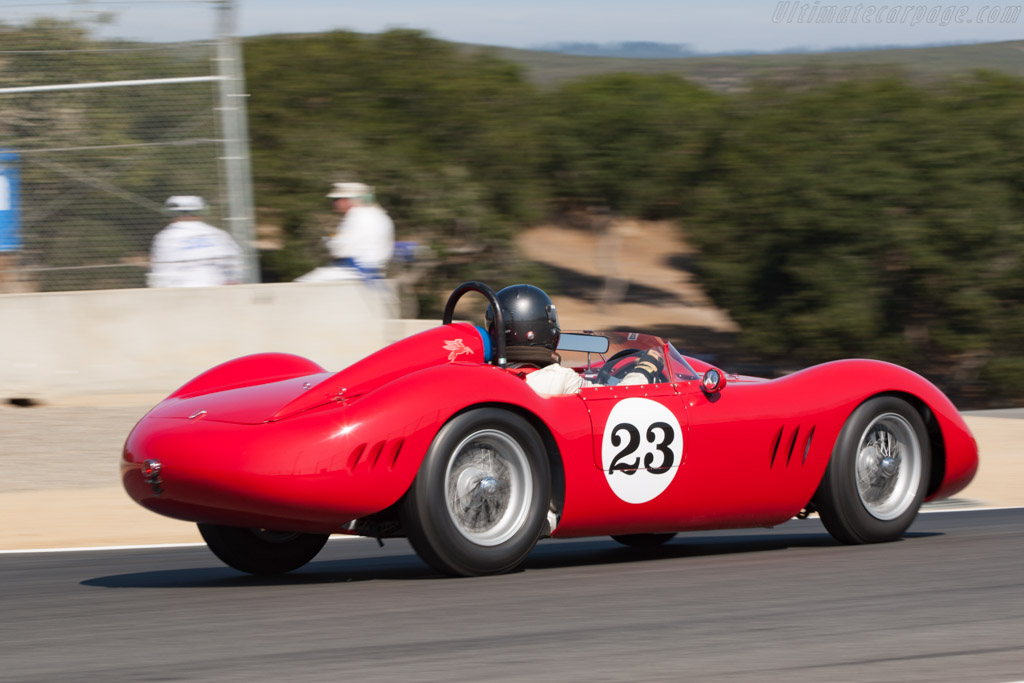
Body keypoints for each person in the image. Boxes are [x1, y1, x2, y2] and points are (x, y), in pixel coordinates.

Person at [487, 284, 664, 395]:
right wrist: (645, 369)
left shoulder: (489, 372)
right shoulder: (558, 378)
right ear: (537, 330)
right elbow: (619, 395)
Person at [296, 181, 394, 283]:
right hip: (376, 274)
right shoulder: (382, 216)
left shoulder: (355, 215)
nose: (334, 203)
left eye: (336, 199)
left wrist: (329, 243)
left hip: (349, 272)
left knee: (301, 283)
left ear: (347, 200)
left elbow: (340, 250)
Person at [147, 196, 244, 288]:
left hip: (180, 296)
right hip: (217, 292)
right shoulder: (219, 235)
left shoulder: (165, 238)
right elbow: (234, 267)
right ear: (201, 212)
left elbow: (161, 273)